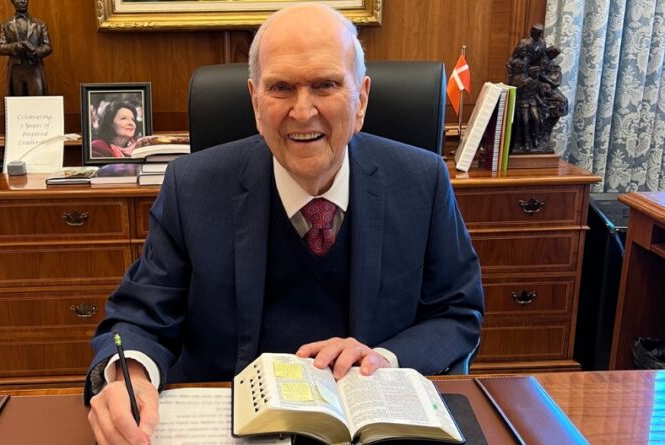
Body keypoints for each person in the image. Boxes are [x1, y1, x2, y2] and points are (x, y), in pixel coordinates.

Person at [85, 3, 484, 444]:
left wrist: (384, 358)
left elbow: (457, 311)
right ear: (256, 101)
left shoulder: (421, 181)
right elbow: (140, 316)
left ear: (361, 99)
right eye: (281, 88)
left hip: (369, 424)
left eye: (325, 85)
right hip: (233, 427)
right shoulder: (192, 186)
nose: (302, 110)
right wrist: (130, 374)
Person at [0, 0, 52, 96]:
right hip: (16, 69)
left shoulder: (40, 24)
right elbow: (0, 47)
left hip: (34, 68)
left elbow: (48, 46)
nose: (23, 1)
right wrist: (15, 46)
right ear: (13, 2)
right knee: (17, 101)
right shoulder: (5, 25)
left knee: (38, 100)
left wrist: (35, 51)